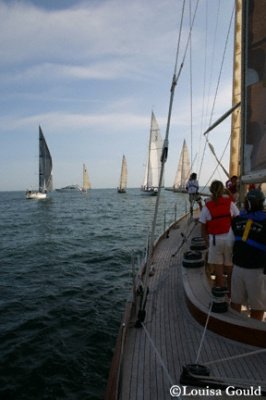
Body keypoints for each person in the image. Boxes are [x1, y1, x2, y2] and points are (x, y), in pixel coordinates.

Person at [231, 189, 266, 321]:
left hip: (238, 267)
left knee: (235, 301)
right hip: (257, 271)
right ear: (262, 203)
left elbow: (230, 243)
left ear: (246, 203)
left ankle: (235, 326)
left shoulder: (237, 219)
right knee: (257, 306)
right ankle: (253, 330)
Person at [199, 180, 240, 293]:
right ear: (223, 190)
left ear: (211, 190)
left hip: (215, 241)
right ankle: (231, 295)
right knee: (230, 270)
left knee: (219, 271)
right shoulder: (229, 203)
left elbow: (202, 227)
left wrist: (206, 241)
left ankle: (221, 296)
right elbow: (238, 216)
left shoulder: (207, 206)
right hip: (229, 239)